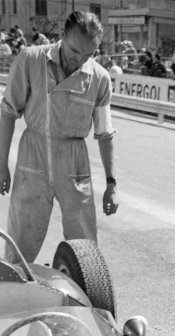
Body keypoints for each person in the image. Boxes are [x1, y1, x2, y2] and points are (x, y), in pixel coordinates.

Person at [0, 10, 118, 265]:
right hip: (33, 158)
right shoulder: (31, 60)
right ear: (63, 36)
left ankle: (84, 299)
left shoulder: (99, 78)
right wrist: (1, 167)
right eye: (75, 51)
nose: (80, 59)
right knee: (18, 246)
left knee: (85, 250)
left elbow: (104, 133)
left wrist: (111, 183)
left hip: (74, 164)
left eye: (89, 54)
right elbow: (8, 112)